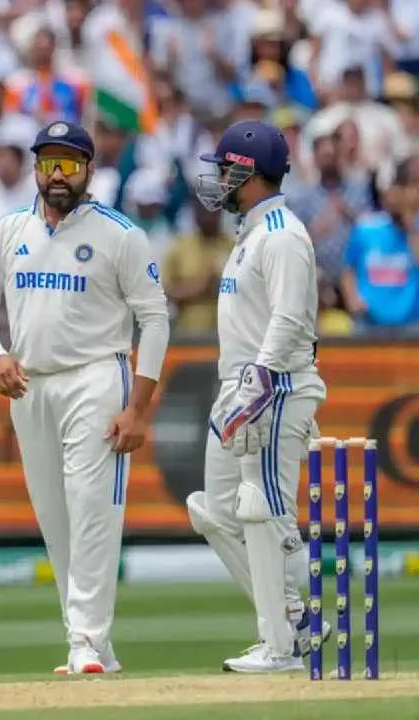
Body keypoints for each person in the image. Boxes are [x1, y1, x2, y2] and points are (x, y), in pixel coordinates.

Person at [0, 120, 170, 675]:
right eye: (48, 163)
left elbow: (154, 319)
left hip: (96, 377)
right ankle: (92, 644)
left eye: (70, 164)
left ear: (89, 171)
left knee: (91, 510)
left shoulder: (120, 234)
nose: (58, 175)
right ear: (35, 169)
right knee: (55, 518)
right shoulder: (8, 230)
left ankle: (85, 640)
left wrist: (138, 408)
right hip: (30, 384)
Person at [190, 119, 328, 673]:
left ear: (249, 174)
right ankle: (293, 621)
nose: (218, 179)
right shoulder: (250, 234)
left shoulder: (283, 235)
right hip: (241, 387)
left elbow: (290, 319)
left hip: (274, 388)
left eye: (226, 170)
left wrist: (260, 378)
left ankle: (282, 642)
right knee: (214, 511)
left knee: (266, 513)